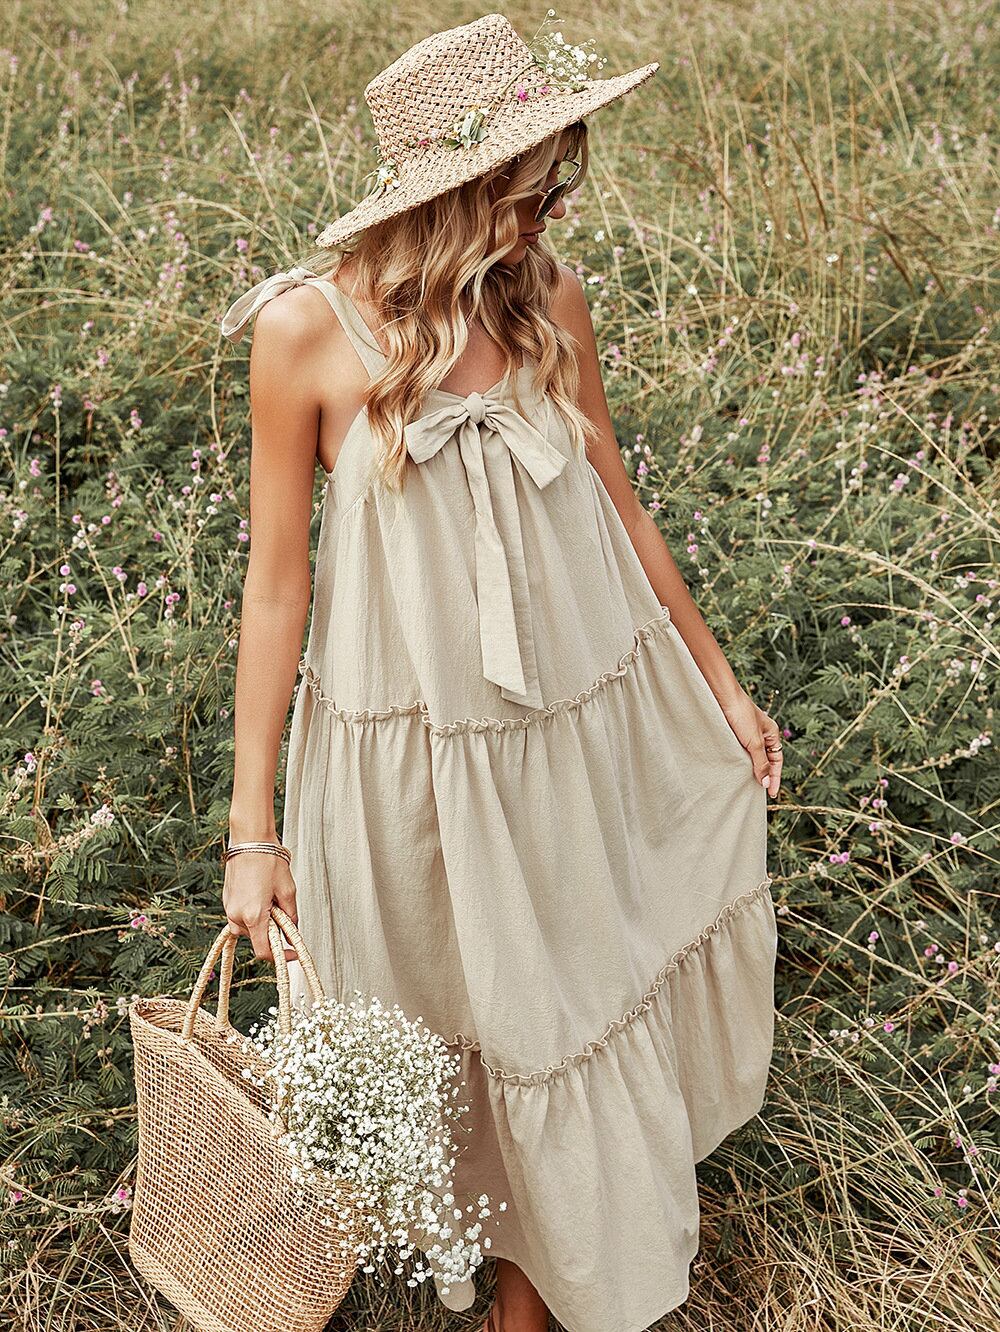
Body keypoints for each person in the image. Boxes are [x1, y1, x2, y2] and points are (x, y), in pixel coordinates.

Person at [219, 13, 781, 1332]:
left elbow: (620, 509)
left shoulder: (549, 303)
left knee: (570, 1005)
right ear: (458, 194)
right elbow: (276, 586)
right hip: (407, 753)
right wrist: (253, 833)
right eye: (534, 187)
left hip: (575, 728)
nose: (555, 210)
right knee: (457, 1015)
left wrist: (720, 681)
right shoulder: (305, 334)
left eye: (560, 179)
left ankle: (538, 1305)